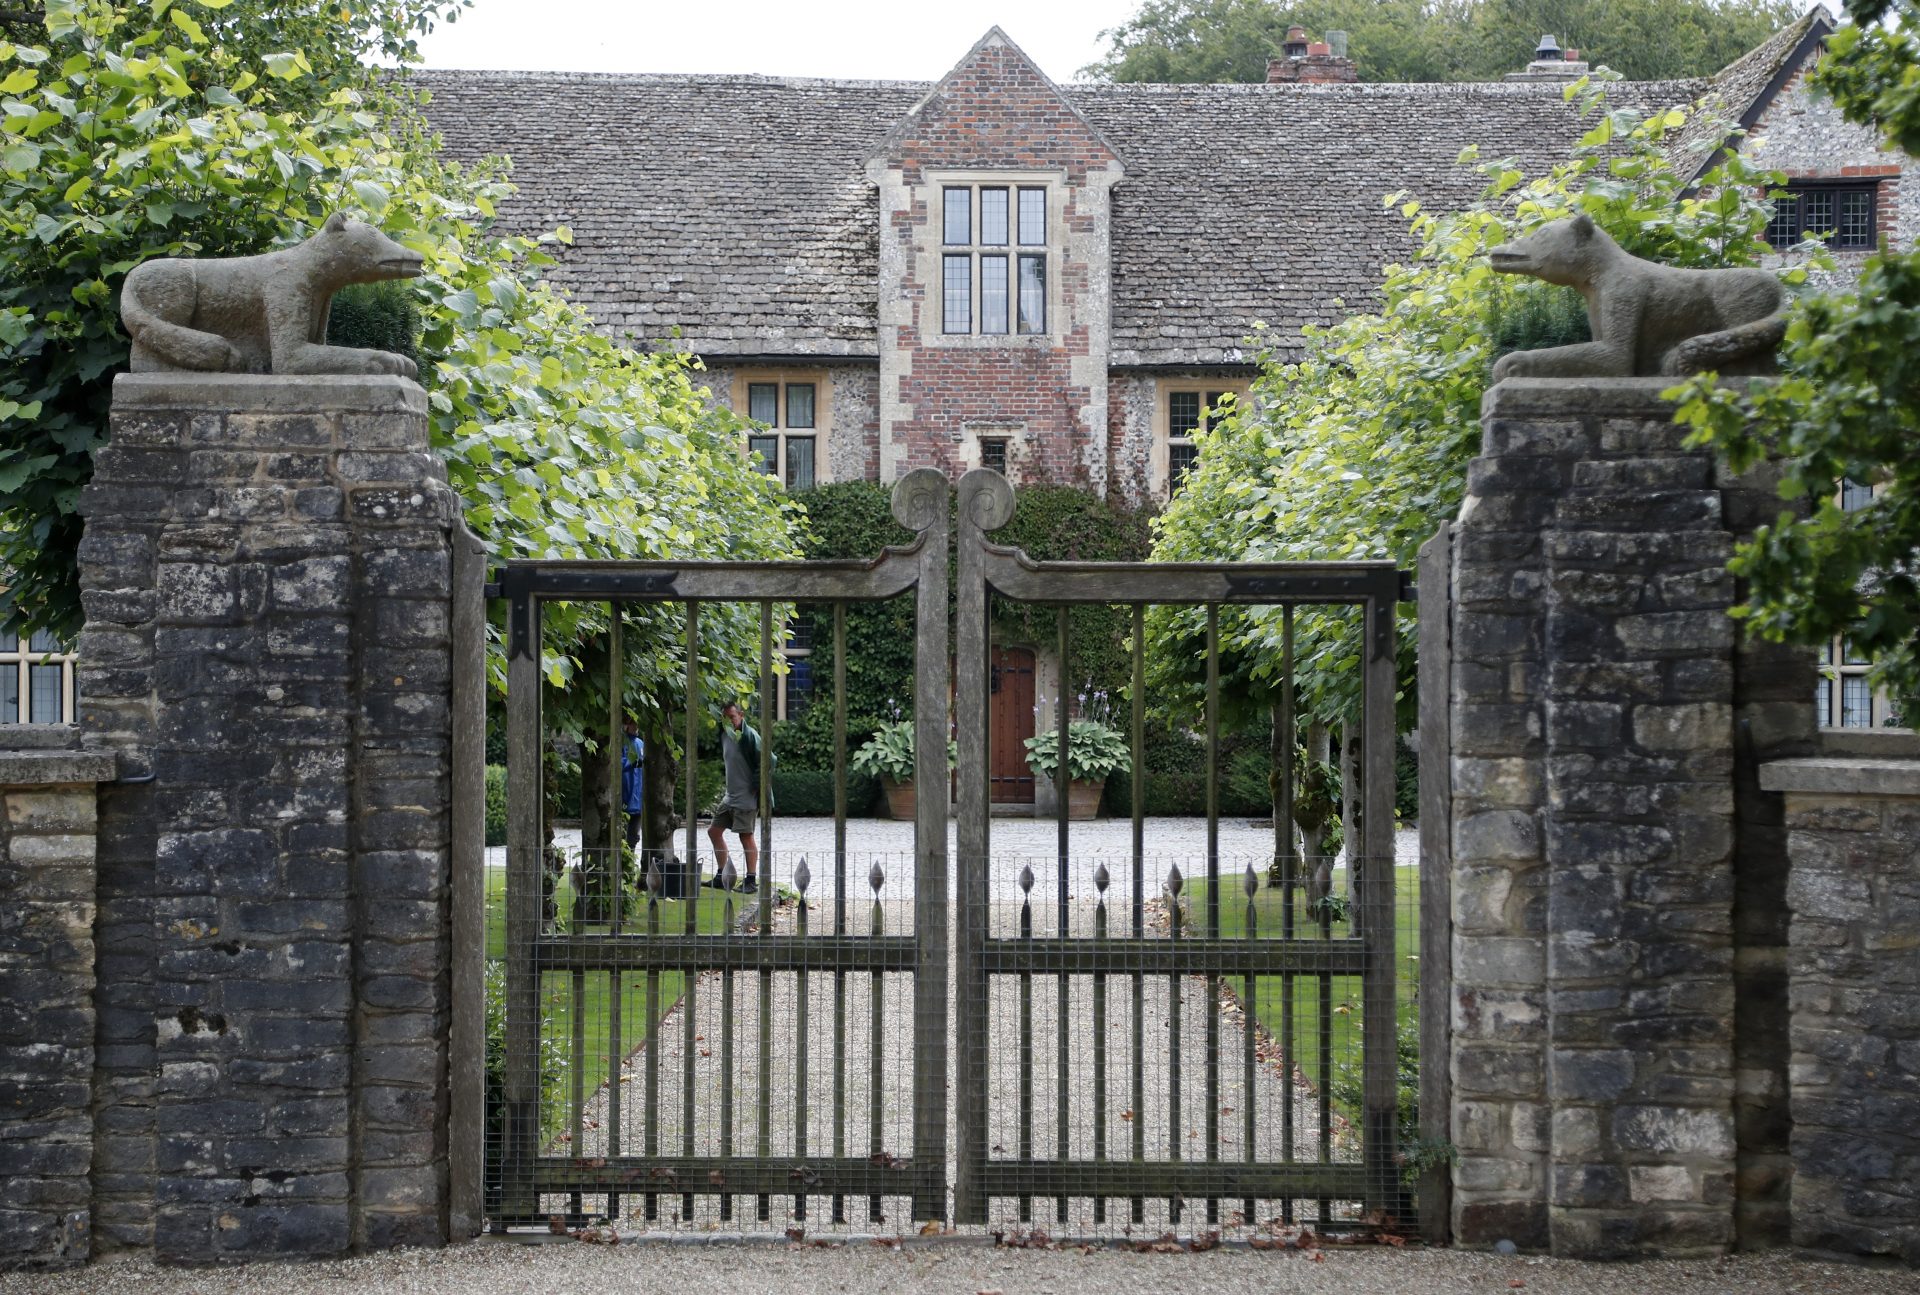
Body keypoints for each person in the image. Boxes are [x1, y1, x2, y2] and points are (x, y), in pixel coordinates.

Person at [705, 700, 771, 892]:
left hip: (745, 798)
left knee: (746, 836)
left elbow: (769, 760)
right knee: (713, 832)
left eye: (732, 717)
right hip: (730, 796)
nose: (729, 721)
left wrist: (757, 786)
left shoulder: (750, 736)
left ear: (741, 715)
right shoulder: (725, 733)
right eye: (725, 718)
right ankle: (722, 875)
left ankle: (751, 881)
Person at [619, 718, 644, 851]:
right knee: (620, 835)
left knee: (634, 836)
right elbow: (617, 764)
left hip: (639, 797)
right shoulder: (620, 743)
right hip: (625, 794)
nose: (636, 727)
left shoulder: (641, 743)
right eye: (633, 724)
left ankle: (629, 864)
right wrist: (633, 762)